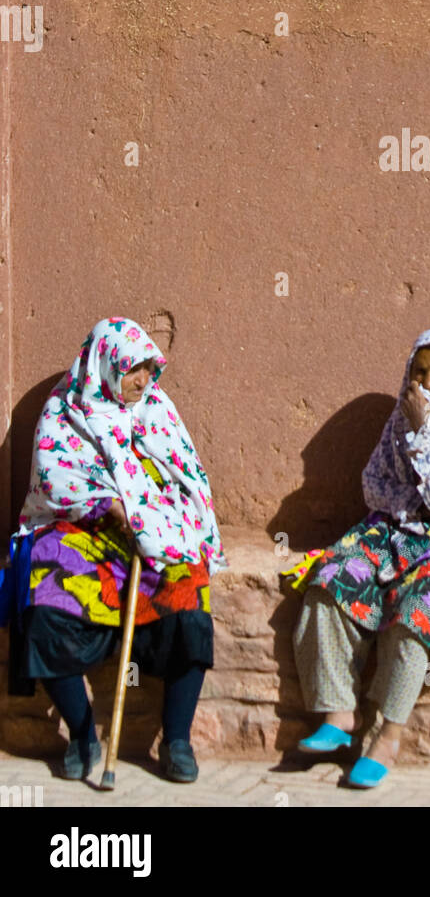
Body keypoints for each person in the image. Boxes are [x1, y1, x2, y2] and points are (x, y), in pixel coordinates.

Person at [284, 327, 430, 789]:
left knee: (418, 610)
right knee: (330, 579)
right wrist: (422, 504)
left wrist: (425, 433)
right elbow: (373, 484)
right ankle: (338, 714)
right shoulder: (399, 417)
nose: (428, 382)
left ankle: (388, 735)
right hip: (402, 523)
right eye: (419, 370)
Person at [11, 317, 227, 782]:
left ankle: (177, 739)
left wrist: (151, 514)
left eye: (150, 370)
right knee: (44, 606)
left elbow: (187, 474)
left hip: (152, 534)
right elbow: (55, 477)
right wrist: (108, 504)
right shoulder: (64, 409)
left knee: (190, 603)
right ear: (106, 364)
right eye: (134, 370)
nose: (143, 381)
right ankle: (83, 734)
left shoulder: (157, 409)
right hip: (84, 532)